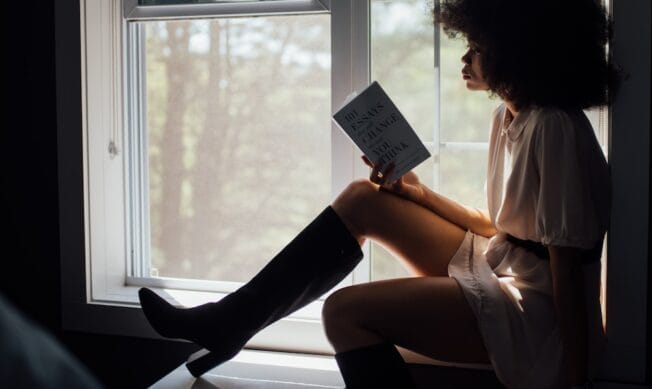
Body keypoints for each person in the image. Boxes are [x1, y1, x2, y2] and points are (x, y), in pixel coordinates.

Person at [138, 0, 619, 387]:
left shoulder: (554, 127)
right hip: (502, 263)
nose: (464, 58)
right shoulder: (508, 118)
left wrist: (574, 380)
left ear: (515, 50)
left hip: (537, 315)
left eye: (476, 46)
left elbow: (566, 265)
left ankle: (225, 326)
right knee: (361, 199)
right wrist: (416, 193)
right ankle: (229, 322)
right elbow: (499, 226)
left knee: (342, 314)